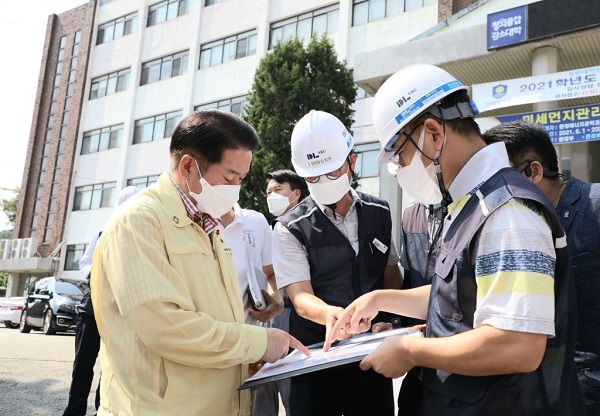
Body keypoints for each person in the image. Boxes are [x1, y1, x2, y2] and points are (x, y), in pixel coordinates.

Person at [325, 64, 584, 415]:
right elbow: (464, 294)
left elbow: (518, 345)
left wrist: (410, 351)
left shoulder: (508, 212)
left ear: (433, 133)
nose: (401, 169)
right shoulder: (470, 203)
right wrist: (381, 298)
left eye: (400, 156)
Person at [90, 110, 309, 416]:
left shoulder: (208, 225)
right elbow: (166, 328)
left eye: (242, 179)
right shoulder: (139, 222)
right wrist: (257, 342)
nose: (236, 188)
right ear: (189, 166)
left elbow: (217, 318)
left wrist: (240, 364)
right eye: (230, 176)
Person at [273, 110, 404, 416]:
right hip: (317, 357)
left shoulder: (379, 212)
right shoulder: (290, 227)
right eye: (313, 176)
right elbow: (301, 297)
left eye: (332, 172)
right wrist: (333, 316)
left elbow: (391, 275)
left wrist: (387, 317)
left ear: (352, 162)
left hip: (370, 354)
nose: (324, 182)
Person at [483, 120, 600, 416]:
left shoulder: (594, 205)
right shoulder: (515, 229)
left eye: (497, 180)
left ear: (533, 172)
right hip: (542, 395)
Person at [62, 185, 140, 416]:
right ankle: (74, 411)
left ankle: (101, 410)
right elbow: (84, 263)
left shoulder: (142, 238)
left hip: (121, 313)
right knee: (83, 365)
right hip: (92, 309)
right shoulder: (102, 233)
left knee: (111, 368)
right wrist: (97, 273)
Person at [252, 169, 305, 416]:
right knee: (262, 395)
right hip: (268, 322)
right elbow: (270, 272)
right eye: (268, 192)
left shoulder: (305, 228)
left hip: (295, 320)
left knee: (294, 395)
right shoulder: (268, 228)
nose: (271, 196)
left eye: (277, 190)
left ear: (295, 194)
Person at [396, 202, 444, 416]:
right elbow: (409, 279)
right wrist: (395, 323)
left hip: (452, 345)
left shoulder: (469, 207)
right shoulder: (410, 215)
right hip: (419, 353)